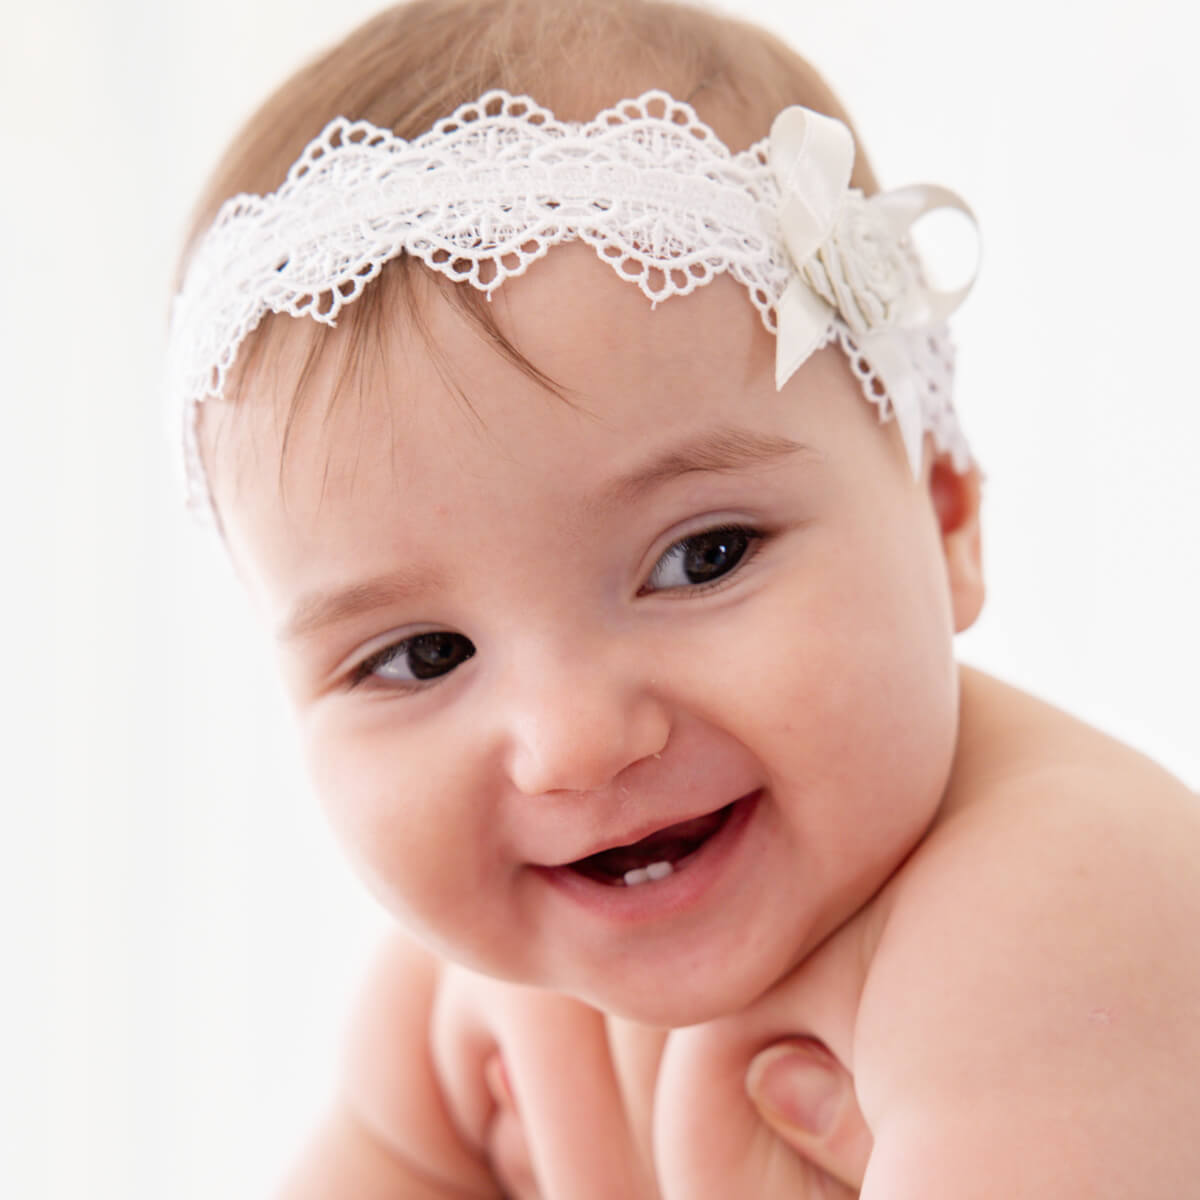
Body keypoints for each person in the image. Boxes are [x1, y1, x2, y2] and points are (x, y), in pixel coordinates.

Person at [166, 0, 1200, 1194]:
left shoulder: (1061, 920)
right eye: (425, 653)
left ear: (944, 514)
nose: (574, 744)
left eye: (703, 557)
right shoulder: (462, 1004)